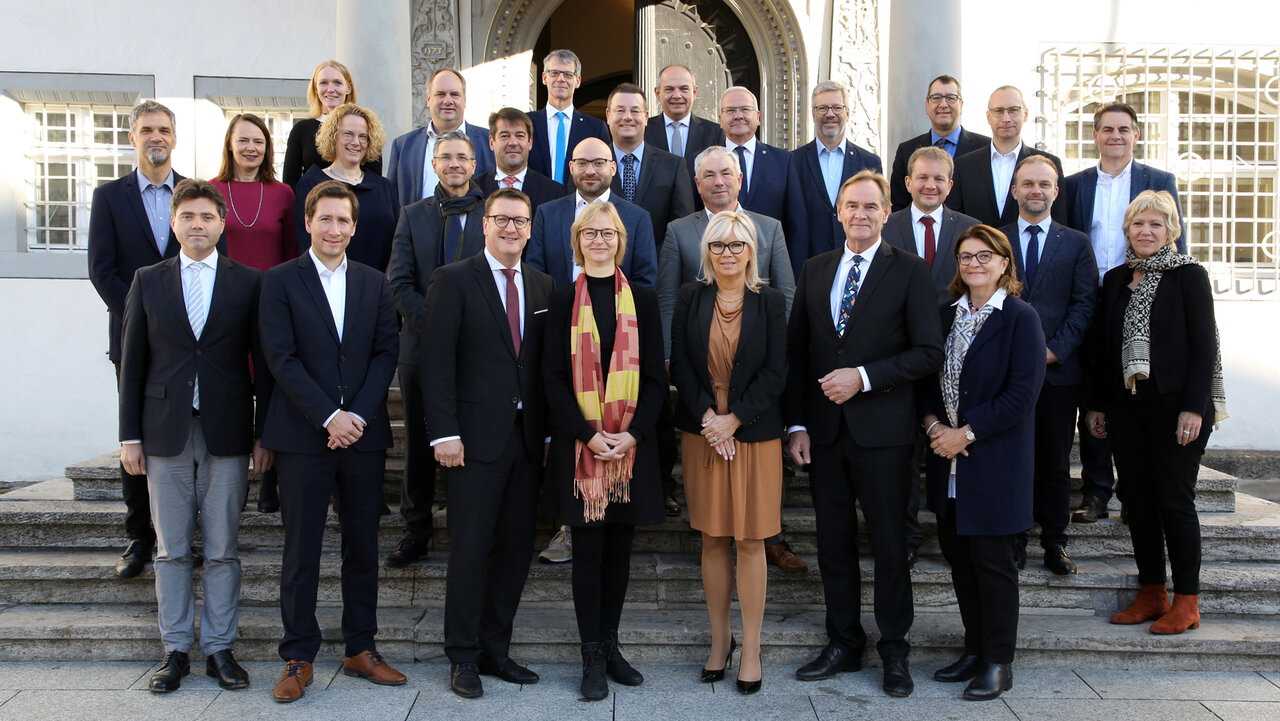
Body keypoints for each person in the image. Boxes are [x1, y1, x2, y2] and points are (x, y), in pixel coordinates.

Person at [785, 171, 943, 697]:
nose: (861, 214)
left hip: (887, 435)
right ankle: (843, 642)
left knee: (892, 546)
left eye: (871, 206)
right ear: (838, 211)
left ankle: (894, 650)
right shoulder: (815, 269)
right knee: (833, 543)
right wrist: (800, 423)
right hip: (826, 435)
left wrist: (866, 378)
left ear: (886, 212)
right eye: (851, 205)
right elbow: (799, 354)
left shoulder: (912, 271)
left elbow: (928, 352)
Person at [119, 179, 271, 694]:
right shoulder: (147, 279)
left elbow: (264, 365)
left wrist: (263, 433)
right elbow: (132, 363)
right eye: (188, 216)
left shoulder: (248, 281)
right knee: (171, 550)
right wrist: (128, 437)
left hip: (228, 429)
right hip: (165, 432)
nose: (197, 225)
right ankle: (176, 649)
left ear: (222, 223)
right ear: (173, 222)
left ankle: (220, 649)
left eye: (207, 217)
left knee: (224, 548)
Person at [259, 181, 404, 702]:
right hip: (302, 435)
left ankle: (360, 647)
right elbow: (281, 358)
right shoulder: (279, 282)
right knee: (302, 550)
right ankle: (298, 655)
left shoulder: (373, 283)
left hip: (361, 436)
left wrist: (356, 416)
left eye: (344, 221)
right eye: (326, 219)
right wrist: (328, 416)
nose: (335, 229)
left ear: (355, 227)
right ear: (308, 221)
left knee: (362, 546)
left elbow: (386, 352)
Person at [425, 188, 556, 699]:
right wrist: (444, 433)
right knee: (471, 550)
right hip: (471, 443)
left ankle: (495, 650)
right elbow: (436, 364)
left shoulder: (543, 287)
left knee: (516, 552)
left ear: (530, 228)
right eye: (501, 219)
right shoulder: (453, 280)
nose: (511, 229)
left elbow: (544, 370)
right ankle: (461, 657)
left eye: (520, 221)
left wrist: (546, 434)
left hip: (526, 444)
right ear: (484, 224)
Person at [1086, 190, 1227, 636]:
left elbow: (1205, 346)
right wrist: (1095, 404)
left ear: (1171, 231)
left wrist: (1193, 408)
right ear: (1126, 229)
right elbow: (1102, 350)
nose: (1146, 232)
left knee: (1173, 500)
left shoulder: (1189, 276)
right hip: (1127, 409)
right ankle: (1151, 593)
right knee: (1138, 501)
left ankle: (1187, 600)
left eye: (1156, 225)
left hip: (1176, 409)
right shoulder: (1113, 280)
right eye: (1138, 224)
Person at [542, 202, 666, 701]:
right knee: (587, 552)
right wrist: (588, 435)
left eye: (607, 232)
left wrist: (632, 435)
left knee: (619, 552)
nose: (599, 239)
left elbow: (656, 378)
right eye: (589, 232)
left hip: (631, 452)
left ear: (620, 239)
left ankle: (612, 646)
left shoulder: (644, 300)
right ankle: (590, 654)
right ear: (577, 241)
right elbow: (552, 379)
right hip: (583, 452)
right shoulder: (559, 300)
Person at [657, 145, 800, 567]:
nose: (718, 181)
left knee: (761, 490)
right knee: (714, 527)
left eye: (726, 173)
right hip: (703, 371)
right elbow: (668, 298)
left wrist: (780, 357)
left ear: (740, 180)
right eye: (709, 175)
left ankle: (771, 536)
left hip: (757, 376)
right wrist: (669, 356)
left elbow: (787, 294)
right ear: (697, 184)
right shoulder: (679, 231)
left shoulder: (768, 228)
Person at [921, 224, 1046, 701]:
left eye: (984, 256)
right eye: (966, 256)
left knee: (994, 565)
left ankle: (998, 660)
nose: (974, 263)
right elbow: (926, 382)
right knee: (960, 561)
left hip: (993, 462)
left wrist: (965, 433)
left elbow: (1022, 394)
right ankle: (974, 650)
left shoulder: (1019, 317)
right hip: (947, 461)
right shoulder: (945, 314)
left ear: (1004, 263)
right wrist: (935, 429)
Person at [670, 211, 788, 695]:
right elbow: (680, 364)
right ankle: (721, 641)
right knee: (714, 539)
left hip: (753, 435)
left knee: (752, 541)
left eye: (738, 245)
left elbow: (776, 372)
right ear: (707, 252)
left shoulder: (770, 301)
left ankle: (753, 647)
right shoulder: (689, 297)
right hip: (703, 433)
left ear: (752, 252)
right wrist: (709, 420)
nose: (727, 254)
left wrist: (733, 419)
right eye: (718, 245)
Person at [88, 100, 198, 579]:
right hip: (133, 339)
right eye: (147, 130)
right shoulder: (109, 197)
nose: (157, 137)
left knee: (185, 435)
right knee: (135, 435)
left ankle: (185, 535)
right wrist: (141, 319)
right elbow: (101, 270)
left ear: (174, 138)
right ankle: (139, 536)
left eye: (164, 130)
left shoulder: (195, 195)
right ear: (133, 138)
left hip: (188, 342)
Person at [1064, 102, 1188, 523]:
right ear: (1095, 135)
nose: (1115, 136)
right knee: (1095, 394)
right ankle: (1096, 491)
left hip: (1142, 298)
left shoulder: (1160, 180)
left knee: (1138, 395)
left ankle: (1135, 491)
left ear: (1136, 135)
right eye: (1107, 129)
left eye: (1124, 129)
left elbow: (1175, 244)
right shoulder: (1075, 185)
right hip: (1092, 300)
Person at [384, 130, 487, 568]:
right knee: (421, 445)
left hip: (480, 347)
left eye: (462, 157)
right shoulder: (412, 215)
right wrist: (438, 326)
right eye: (446, 157)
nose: (454, 164)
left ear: (474, 162)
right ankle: (416, 529)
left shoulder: (494, 212)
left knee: (475, 438)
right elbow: (399, 281)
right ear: (434, 164)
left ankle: (472, 525)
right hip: (422, 346)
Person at [999, 155, 1097, 575]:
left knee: (1055, 462)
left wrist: (1051, 351)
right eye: (1027, 184)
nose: (1035, 190)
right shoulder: (995, 240)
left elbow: (1083, 305)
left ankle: (1055, 542)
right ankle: (1015, 539)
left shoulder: (1076, 243)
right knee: (1013, 460)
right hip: (1005, 375)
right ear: (1015, 190)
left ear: (1056, 191)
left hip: (1058, 375)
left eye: (1044, 184)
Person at [211, 114, 296, 513]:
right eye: (243, 140)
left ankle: (271, 480)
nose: (250, 148)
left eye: (258, 141)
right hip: (226, 303)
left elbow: (293, 252)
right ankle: (234, 477)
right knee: (234, 389)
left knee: (274, 389)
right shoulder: (210, 192)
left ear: (267, 147)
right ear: (230, 144)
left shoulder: (282, 193)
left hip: (273, 302)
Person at [527, 137, 659, 290]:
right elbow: (535, 275)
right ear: (571, 167)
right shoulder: (547, 214)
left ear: (613, 168)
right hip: (561, 311)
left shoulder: (638, 218)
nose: (590, 171)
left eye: (599, 163)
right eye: (582, 163)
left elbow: (645, 280)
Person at [789, 80, 883, 271]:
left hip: (858, 266)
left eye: (837, 108)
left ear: (847, 113)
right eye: (822, 108)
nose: (830, 114)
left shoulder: (869, 162)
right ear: (813, 114)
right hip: (808, 268)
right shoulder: (792, 162)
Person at [293, 104, 399, 272]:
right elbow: (303, 243)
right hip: (326, 284)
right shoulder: (311, 184)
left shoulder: (384, 188)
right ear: (333, 137)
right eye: (348, 134)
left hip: (376, 288)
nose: (356, 142)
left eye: (363, 137)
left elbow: (397, 244)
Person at [947, 86, 1065, 227]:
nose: (1006, 118)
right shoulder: (964, 165)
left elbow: (1059, 220)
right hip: (976, 247)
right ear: (988, 117)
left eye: (1013, 110)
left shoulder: (1050, 164)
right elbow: (953, 219)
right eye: (998, 111)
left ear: (1025, 114)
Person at [384, 67, 495, 207]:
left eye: (454, 94)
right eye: (440, 94)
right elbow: (392, 202)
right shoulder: (403, 146)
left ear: (465, 101)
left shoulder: (489, 142)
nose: (448, 101)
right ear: (428, 100)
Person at [883, 146, 981, 306]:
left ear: (949, 186)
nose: (930, 185)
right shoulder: (885, 228)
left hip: (952, 326)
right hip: (899, 327)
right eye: (922, 177)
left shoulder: (971, 229)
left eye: (939, 179)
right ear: (908, 183)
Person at [606, 82, 695, 250]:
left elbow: (682, 227)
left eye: (635, 111)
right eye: (620, 110)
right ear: (608, 115)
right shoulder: (591, 166)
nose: (627, 117)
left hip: (657, 269)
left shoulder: (673, 166)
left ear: (646, 117)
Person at [889, 75, 991, 212]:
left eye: (951, 98)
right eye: (936, 98)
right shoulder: (906, 150)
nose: (943, 104)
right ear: (927, 105)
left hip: (970, 231)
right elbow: (898, 205)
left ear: (961, 105)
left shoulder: (985, 147)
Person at [284, 60, 381, 187]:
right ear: (316, 89)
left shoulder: (366, 126)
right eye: (323, 83)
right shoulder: (301, 130)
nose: (330, 89)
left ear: (349, 88)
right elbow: (290, 182)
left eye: (337, 83)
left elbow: (374, 179)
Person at [718, 86, 801, 226]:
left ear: (757, 117)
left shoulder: (783, 161)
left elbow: (796, 218)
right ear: (720, 119)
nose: (738, 116)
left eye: (745, 109)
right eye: (730, 110)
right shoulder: (704, 161)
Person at [529, 49, 611, 185]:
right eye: (554, 73)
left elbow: (604, 172)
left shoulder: (596, 128)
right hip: (535, 202)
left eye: (568, 74)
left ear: (577, 81)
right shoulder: (527, 123)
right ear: (544, 77)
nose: (560, 79)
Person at [644, 64, 725, 192]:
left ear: (695, 92)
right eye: (669, 89)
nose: (677, 95)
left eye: (684, 89)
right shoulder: (643, 130)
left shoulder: (715, 133)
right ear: (658, 93)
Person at [473, 107, 568, 213]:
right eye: (505, 136)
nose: (513, 142)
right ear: (491, 142)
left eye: (520, 136)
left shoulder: (553, 192)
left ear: (530, 142)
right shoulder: (473, 189)